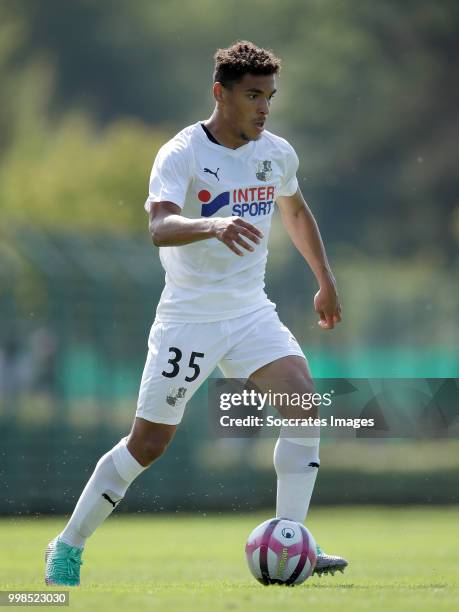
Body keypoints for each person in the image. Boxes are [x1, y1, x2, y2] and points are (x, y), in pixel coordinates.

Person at [45, 40, 347, 586]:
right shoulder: (182, 152)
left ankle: (291, 541)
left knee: (302, 401)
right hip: (189, 320)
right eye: (253, 96)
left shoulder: (275, 152)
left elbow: (297, 212)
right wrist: (213, 224)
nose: (263, 108)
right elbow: (159, 227)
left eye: (270, 97)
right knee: (148, 444)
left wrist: (325, 280)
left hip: (252, 312)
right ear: (220, 93)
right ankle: (67, 544)